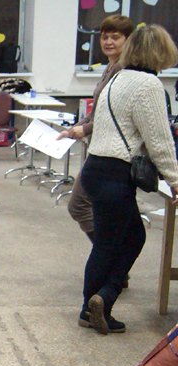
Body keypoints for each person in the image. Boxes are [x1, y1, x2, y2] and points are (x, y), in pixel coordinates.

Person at [78, 24, 178, 335]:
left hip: (95, 168)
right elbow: (159, 141)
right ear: (160, 52)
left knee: (133, 237)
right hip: (115, 174)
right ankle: (96, 305)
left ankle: (99, 301)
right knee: (110, 244)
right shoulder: (148, 86)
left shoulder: (118, 78)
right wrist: (175, 179)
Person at [58, 16, 134, 246]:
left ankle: (110, 258)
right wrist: (79, 125)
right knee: (91, 209)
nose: (108, 42)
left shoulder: (125, 70)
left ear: (128, 40)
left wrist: (85, 129)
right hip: (99, 148)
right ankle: (111, 259)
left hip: (113, 153)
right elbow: (99, 110)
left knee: (80, 205)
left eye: (115, 37)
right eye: (105, 37)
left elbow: (115, 116)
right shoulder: (110, 66)